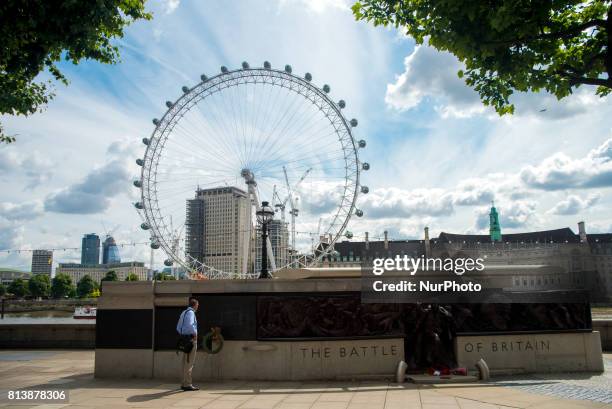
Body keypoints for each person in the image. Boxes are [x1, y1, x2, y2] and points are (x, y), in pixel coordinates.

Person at [176, 298, 199, 391]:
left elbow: (178, 327)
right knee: (189, 363)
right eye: (197, 305)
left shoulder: (183, 312)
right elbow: (190, 325)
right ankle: (187, 384)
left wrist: (183, 334)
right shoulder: (191, 313)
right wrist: (194, 334)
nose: (198, 307)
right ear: (194, 305)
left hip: (184, 339)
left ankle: (183, 383)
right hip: (190, 340)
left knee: (184, 362)